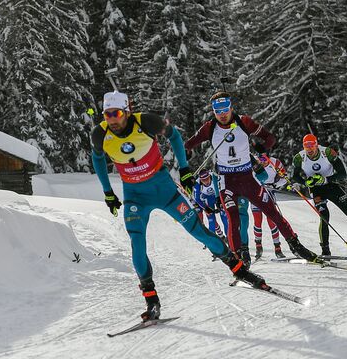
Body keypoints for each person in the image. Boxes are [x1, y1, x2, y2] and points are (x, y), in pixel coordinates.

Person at [91, 90, 265, 321]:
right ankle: (151, 299)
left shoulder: (145, 122)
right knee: (137, 243)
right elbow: (98, 158)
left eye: (117, 113)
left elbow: (173, 136)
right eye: (108, 114)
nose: (112, 119)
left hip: (164, 189)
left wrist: (184, 169)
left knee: (198, 231)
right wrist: (108, 192)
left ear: (127, 111)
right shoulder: (100, 134)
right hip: (135, 197)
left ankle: (239, 269)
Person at [184, 91, 319, 267]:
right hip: (227, 181)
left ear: (231, 107)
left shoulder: (244, 122)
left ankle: (296, 246)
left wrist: (263, 147)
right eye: (218, 112)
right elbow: (187, 145)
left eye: (225, 110)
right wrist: (185, 164)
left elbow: (270, 138)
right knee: (234, 219)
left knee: (272, 212)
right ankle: (239, 258)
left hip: (248, 178)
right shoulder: (209, 128)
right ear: (213, 112)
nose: (223, 115)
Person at [251, 155, 288, 259]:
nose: (262, 163)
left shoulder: (275, 163)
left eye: (264, 160)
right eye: (259, 161)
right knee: (257, 220)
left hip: (269, 192)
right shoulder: (252, 162)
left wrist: (276, 183)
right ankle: (258, 246)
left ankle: (277, 248)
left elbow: (285, 178)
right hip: (255, 193)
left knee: (272, 220)